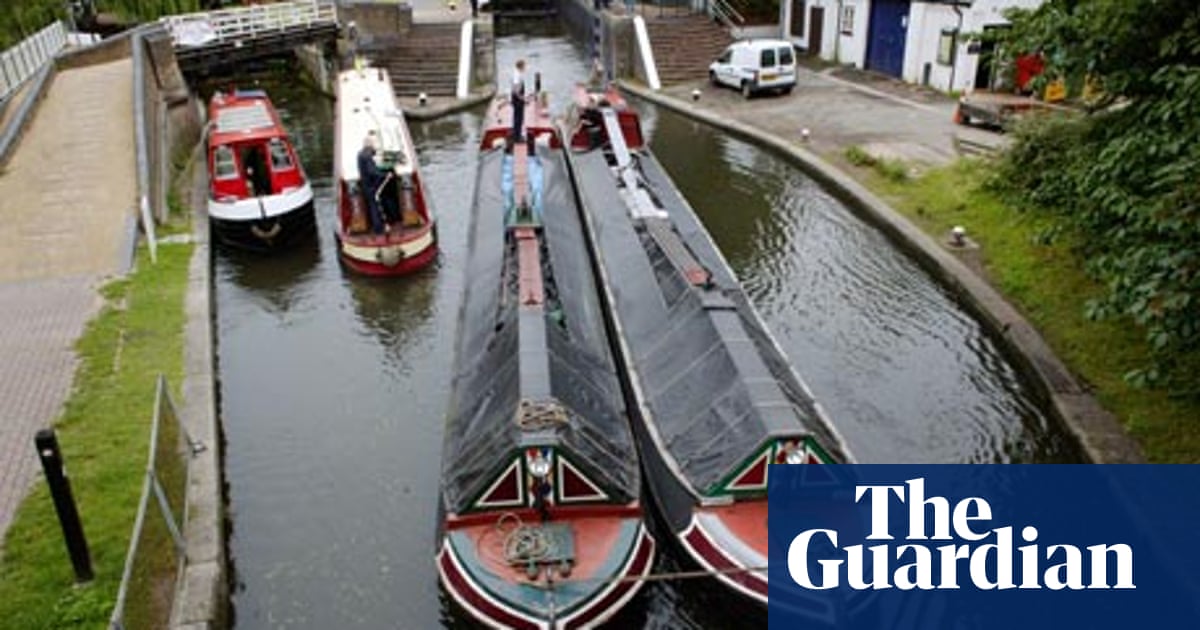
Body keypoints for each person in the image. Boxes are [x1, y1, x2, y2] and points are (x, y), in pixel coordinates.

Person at [357, 135, 387, 234]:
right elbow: (372, 171)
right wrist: (384, 175)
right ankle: (379, 229)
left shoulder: (360, 154)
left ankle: (376, 226)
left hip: (365, 185)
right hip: (371, 186)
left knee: (371, 205)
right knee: (374, 206)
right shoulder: (367, 156)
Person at [510, 58, 527, 141]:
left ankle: (516, 134)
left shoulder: (516, 73)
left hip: (516, 97)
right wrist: (522, 98)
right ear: (521, 66)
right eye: (524, 66)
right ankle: (517, 137)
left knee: (517, 116)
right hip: (517, 99)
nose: (525, 67)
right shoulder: (517, 75)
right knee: (519, 117)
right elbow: (516, 88)